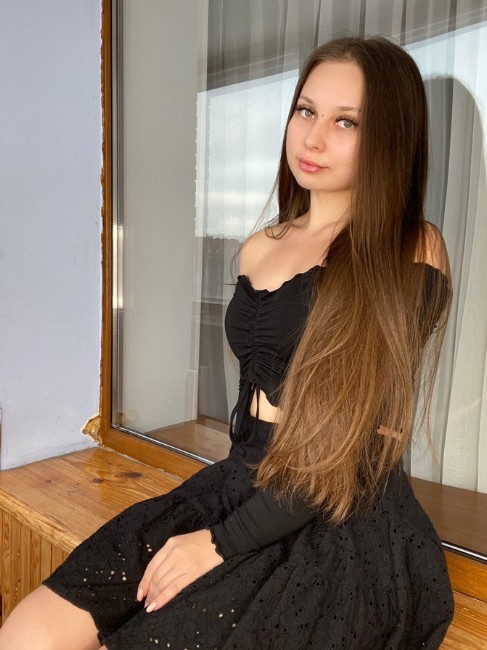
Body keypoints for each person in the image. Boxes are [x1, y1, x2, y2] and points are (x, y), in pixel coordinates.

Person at [0, 36, 453, 649]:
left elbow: (342, 455)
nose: (313, 138)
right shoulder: (261, 246)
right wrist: (216, 525)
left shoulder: (410, 250)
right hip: (241, 480)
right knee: (29, 633)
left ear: (390, 139)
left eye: (346, 122)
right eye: (306, 111)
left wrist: (220, 543)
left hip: (338, 515)